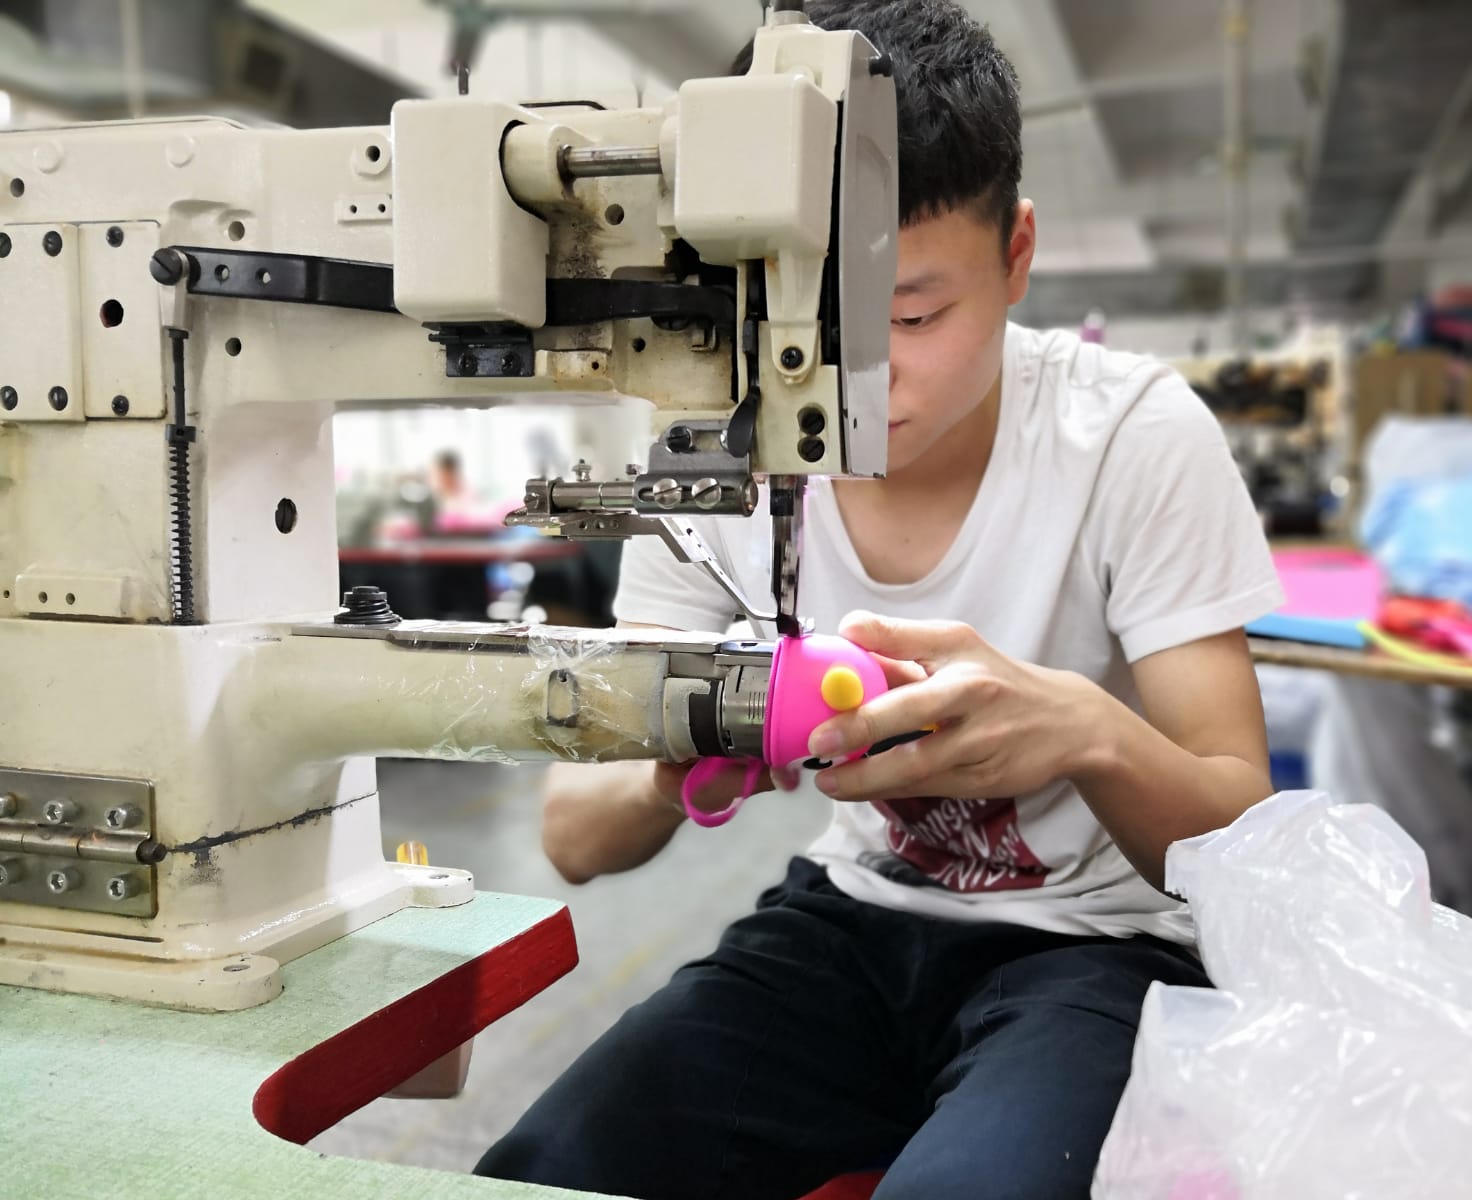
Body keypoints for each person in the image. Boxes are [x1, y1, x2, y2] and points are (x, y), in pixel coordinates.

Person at [476, 2, 1283, 1196]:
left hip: (1092, 948)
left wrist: (1089, 733)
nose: (851, 373)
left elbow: (1237, 837)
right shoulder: (712, 455)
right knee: (543, 1169)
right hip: (847, 922)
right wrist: (675, 760)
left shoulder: (1131, 436)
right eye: (790, 325)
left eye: (910, 316)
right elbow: (572, 837)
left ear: (1016, 255)